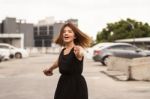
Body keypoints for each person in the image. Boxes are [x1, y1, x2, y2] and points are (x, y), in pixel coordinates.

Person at [43, 22, 92, 99]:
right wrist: (50, 69)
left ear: (75, 36)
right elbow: (58, 62)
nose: (66, 33)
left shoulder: (77, 49)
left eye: (69, 31)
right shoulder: (63, 51)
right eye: (64, 31)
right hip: (63, 84)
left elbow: (81, 53)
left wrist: (79, 53)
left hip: (76, 86)